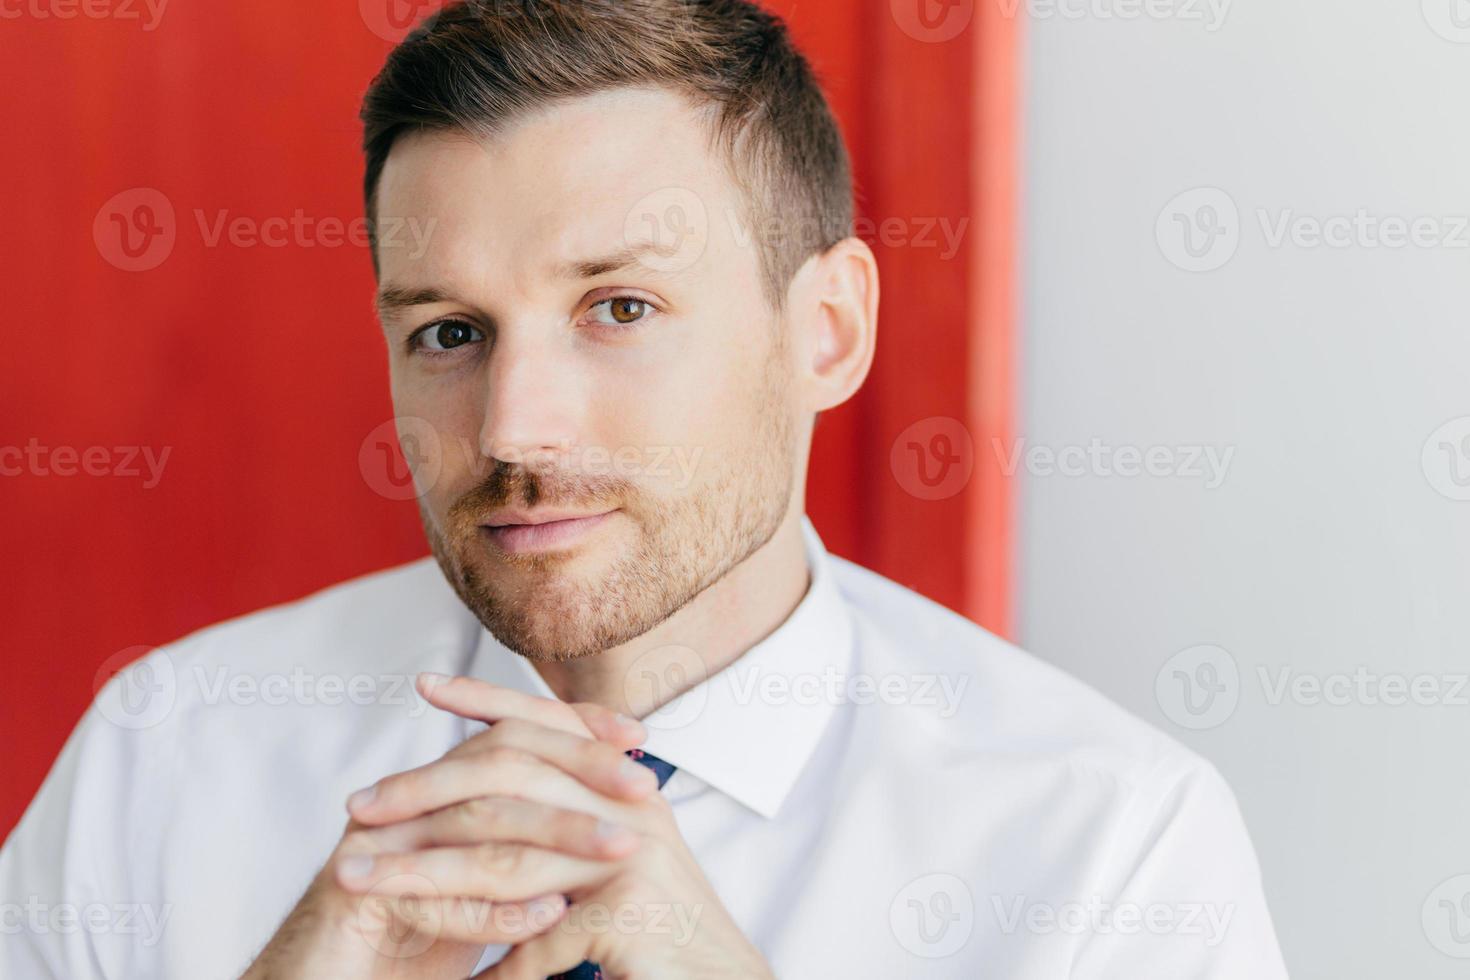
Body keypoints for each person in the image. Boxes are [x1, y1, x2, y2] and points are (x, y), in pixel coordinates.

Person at [0, 1, 1289, 976]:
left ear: (827, 331)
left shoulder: (1114, 855)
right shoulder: (164, 756)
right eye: (451, 330)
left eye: (618, 308)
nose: (514, 426)